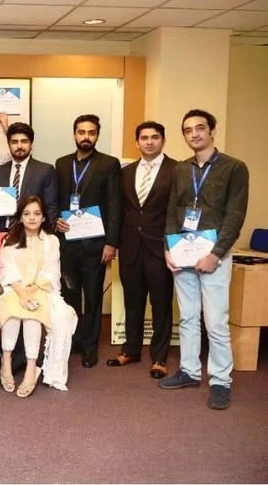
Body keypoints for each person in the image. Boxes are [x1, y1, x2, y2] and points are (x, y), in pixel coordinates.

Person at [160, 109, 249, 411]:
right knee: (187, 317)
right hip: (183, 252)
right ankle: (189, 371)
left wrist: (216, 254)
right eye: (188, 130)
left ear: (212, 131)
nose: (194, 134)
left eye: (200, 128)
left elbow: (235, 216)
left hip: (214, 254)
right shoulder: (181, 169)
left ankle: (221, 381)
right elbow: (173, 210)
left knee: (215, 321)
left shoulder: (234, 168)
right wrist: (168, 247)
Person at [107, 122, 177, 379]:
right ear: (137, 142)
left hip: (161, 249)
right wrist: (114, 243)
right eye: (144, 138)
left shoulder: (177, 170)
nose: (149, 142)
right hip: (130, 248)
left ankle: (159, 358)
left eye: (154, 137)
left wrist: (174, 246)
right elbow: (120, 210)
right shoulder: (126, 172)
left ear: (163, 141)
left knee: (161, 306)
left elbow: (178, 211)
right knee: (132, 303)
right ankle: (131, 350)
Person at [55, 114, 122, 368]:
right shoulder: (62, 164)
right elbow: (56, 199)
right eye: (81, 132)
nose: (86, 137)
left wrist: (111, 243)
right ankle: (73, 340)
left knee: (93, 297)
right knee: (69, 295)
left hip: (96, 245)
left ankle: (90, 347)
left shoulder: (109, 164)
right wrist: (54, 220)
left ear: (97, 135)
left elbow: (115, 205)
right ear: (74, 134)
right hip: (67, 242)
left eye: (91, 133)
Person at [0, 196, 77, 396]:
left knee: (32, 314)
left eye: (36, 213)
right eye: (27, 214)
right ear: (20, 217)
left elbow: (51, 273)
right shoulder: (10, 239)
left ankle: (31, 368)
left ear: (43, 218)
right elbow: (7, 270)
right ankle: (5, 362)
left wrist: (30, 292)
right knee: (12, 311)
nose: (32, 218)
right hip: (14, 288)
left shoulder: (51, 241)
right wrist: (22, 293)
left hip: (40, 289)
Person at [0, 122, 58, 233]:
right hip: (5, 232)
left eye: (24, 141)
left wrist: (48, 234)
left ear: (31, 144)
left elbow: (51, 207)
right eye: (14, 142)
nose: (19, 146)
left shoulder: (45, 170)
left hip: (34, 233)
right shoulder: (0, 171)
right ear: (8, 144)